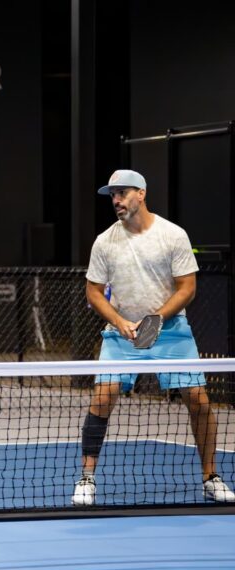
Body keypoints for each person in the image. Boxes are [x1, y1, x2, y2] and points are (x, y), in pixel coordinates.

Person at [72, 169, 235, 506]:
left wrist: (156, 319)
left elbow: (187, 288)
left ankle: (211, 477)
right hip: (122, 334)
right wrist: (119, 322)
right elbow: (94, 292)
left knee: (199, 401)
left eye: (122, 193)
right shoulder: (105, 242)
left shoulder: (172, 235)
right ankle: (86, 478)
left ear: (141, 193)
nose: (116, 200)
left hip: (171, 331)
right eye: (112, 195)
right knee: (102, 398)